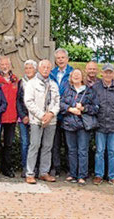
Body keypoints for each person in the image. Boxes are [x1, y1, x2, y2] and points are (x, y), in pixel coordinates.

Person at [24, 59, 60, 184]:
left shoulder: (54, 84)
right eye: (43, 67)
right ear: (39, 68)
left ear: (51, 69)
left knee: (47, 147)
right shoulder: (31, 83)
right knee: (34, 145)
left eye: (48, 67)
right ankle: (30, 173)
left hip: (51, 121)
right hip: (36, 120)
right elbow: (29, 102)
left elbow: (57, 102)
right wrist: (42, 115)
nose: (45, 69)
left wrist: (50, 114)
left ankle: (44, 172)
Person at [60, 69, 98, 185]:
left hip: (83, 125)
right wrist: (70, 109)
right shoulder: (67, 90)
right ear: (71, 77)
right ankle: (72, 174)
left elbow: (96, 108)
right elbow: (60, 103)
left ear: (82, 77)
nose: (76, 76)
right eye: (74, 75)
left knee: (83, 150)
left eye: (78, 74)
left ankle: (82, 175)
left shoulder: (89, 91)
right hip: (69, 124)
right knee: (71, 150)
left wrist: (83, 109)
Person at [92, 63, 114, 186]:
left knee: (113, 151)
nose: (108, 74)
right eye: (106, 72)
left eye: (110, 72)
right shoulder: (96, 87)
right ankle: (99, 175)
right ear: (102, 73)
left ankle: (112, 176)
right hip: (100, 124)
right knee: (99, 151)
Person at [0, 56, 18, 178]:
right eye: (2, 64)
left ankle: (7, 167)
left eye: (6, 64)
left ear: (10, 65)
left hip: (12, 117)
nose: (4, 66)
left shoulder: (15, 79)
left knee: (9, 144)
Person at [50, 48, 74, 176]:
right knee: (55, 143)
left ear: (67, 59)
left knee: (69, 144)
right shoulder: (51, 73)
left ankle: (71, 169)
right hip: (55, 114)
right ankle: (56, 167)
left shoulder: (72, 72)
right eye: (58, 58)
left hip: (68, 113)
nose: (60, 60)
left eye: (62, 58)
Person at [17, 60, 38, 178]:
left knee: (35, 143)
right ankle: (25, 167)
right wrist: (23, 116)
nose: (28, 70)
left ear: (35, 69)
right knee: (25, 143)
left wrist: (32, 116)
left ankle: (34, 167)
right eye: (26, 68)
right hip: (23, 118)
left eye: (31, 68)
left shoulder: (39, 82)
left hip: (36, 117)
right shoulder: (21, 82)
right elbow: (18, 101)